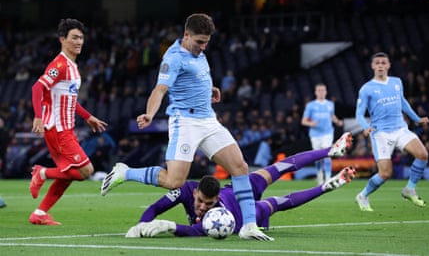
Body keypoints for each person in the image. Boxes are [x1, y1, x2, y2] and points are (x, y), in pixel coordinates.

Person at [105, 13, 255, 241]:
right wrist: (149, 113)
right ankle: (125, 172)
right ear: (186, 35)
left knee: (240, 167)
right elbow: (160, 90)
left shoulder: (198, 53)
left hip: (208, 120)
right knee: (175, 182)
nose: (203, 46)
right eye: (199, 42)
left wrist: (209, 89)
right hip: (185, 123)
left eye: (206, 42)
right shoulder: (173, 58)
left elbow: (194, 77)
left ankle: (249, 226)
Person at [124, 132, 354, 238]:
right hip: (233, 192)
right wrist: (141, 226)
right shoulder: (185, 190)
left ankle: (330, 151)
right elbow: (154, 209)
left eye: (208, 204)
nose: (203, 207)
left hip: (245, 213)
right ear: (194, 193)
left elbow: (190, 231)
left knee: (281, 167)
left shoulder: (215, 221)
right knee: (280, 202)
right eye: (200, 201)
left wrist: (168, 226)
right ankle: (326, 186)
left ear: (217, 202)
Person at [29, 19, 108, 225]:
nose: (79, 41)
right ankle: (42, 172)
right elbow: (37, 88)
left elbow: (69, 100)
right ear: (62, 39)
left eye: (81, 38)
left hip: (65, 128)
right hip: (58, 129)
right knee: (86, 171)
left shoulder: (72, 66)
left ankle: (39, 214)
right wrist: (37, 116)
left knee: (68, 174)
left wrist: (88, 116)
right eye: (74, 37)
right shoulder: (60, 65)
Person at [355, 52, 429, 212]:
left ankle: (409, 189)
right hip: (381, 133)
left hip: (401, 129)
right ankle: (363, 195)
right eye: (377, 63)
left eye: (383, 62)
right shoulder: (366, 88)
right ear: (372, 66)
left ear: (388, 65)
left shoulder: (397, 82)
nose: (380, 65)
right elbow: (359, 113)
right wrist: (365, 126)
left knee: (423, 154)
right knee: (386, 174)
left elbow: (402, 102)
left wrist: (416, 118)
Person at [301, 83, 343, 185]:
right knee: (318, 156)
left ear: (326, 91)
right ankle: (320, 176)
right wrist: (311, 123)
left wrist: (337, 121)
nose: (321, 92)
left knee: (327, 154)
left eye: (323, 90)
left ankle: (328, 178)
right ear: (315, 92)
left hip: (327, 133)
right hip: (315, 134)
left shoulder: (330, 104)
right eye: (319, 90)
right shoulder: (310, 105)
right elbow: (303, 121)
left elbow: (332, 116)